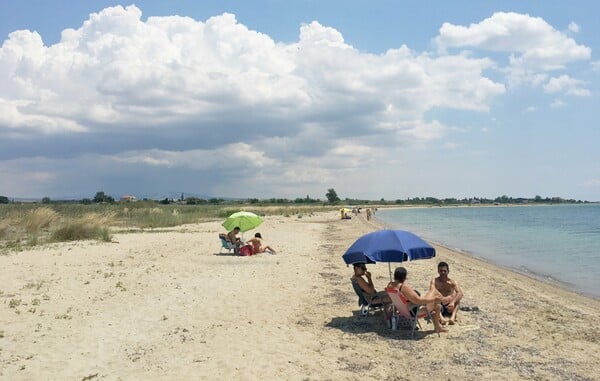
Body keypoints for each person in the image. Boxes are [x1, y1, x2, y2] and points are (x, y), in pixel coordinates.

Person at [387, 266, 449, 333]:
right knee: (436, 302)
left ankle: (438, 327)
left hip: (403, 310)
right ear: (404, 277)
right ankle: (438, 327)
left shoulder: (390, 285)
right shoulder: (403, 287)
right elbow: (419, 301)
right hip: (412, 312)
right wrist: (434, 299)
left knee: (437, 305)